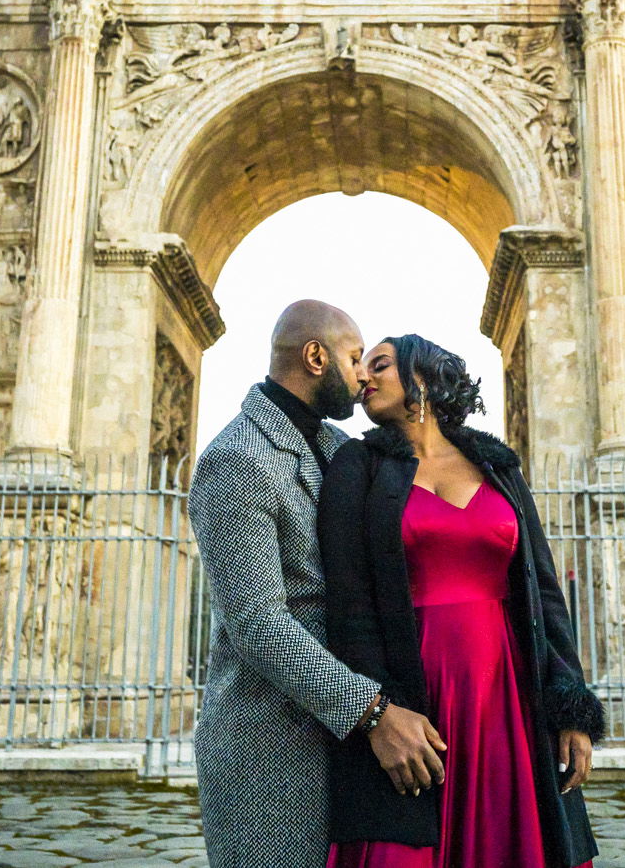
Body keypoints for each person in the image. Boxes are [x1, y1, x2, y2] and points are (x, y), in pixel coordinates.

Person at [320, 334, 603, 868]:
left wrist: (572, 706)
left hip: (509, 693)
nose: (363, 378)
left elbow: (544, 591)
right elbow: (349, 607)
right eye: (362, 367)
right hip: (413, 690)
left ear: (421, 378)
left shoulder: (497, 465)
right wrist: (378, 716)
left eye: (379, 365)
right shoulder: (357, 466)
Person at [190, 301, 448, 868]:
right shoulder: (236, 458)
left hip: (347, 743)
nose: (362, 376)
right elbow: (258, 622)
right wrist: (374, 712)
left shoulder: (341, 450)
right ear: (315, 357)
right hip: (269, 745)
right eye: (356, 358)